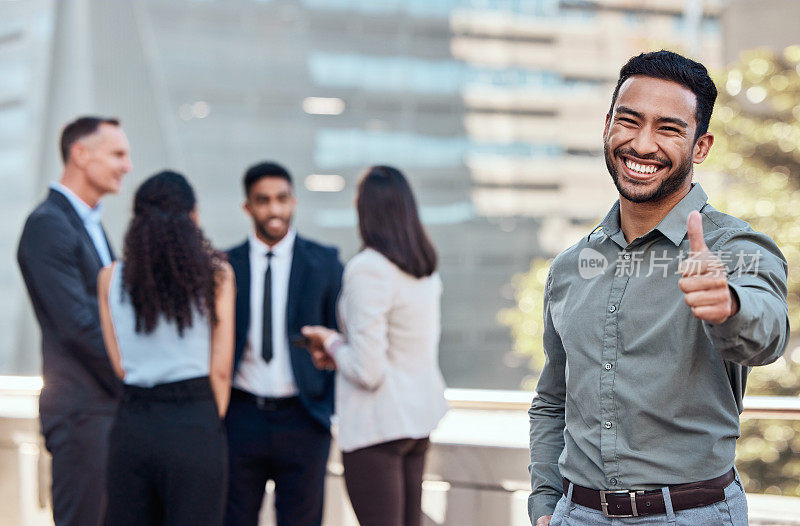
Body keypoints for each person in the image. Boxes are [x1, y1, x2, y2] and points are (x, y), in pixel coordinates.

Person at [528, 50, 790, 526]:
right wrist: (545, 506)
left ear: (702, 146)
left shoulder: (734, 247)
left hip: (690, 515)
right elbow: (552, 400)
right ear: (608, 125)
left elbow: (769, 331)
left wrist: (728, 304)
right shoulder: (570, 268)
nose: (642, 144)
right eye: (629, 121)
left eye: (668, 128)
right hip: (574, 515)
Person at [302, 165, 449, 526]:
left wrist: (331, 341)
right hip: (417, 422)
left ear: (366, 210)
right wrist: (341, 354)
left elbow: (368, 372)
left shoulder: (368, 268)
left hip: (377, 426)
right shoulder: (423, 269)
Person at [98, 170, 234, 526]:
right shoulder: (217, 275)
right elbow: (220, 368)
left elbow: (120, 366)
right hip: (194, 421)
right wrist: (203, 419)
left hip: (133, 422)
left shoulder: (110, 278)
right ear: (193, 217)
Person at [17, 116, 131, 526]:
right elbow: (80, 326)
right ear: (81, 154)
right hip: (83, 416)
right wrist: (136, 378)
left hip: (103, 413)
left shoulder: (89, 225)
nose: (126, 166)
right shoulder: (49, 225)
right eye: (118, 154)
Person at [224, 161, 343, 526]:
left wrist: (327, 411)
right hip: (240, 418)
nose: (274, 209)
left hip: (304, 419)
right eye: (263, 201)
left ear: (293, 201)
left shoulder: (324, 262)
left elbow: (343, 336)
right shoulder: (225, 265)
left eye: (282, 199)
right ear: (248, 207)